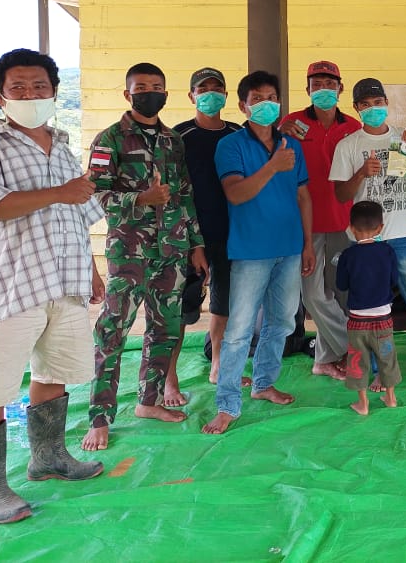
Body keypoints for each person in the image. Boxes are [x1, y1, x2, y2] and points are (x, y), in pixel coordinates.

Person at [0, 49, 106, 524]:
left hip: (65, 278)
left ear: (54, 92)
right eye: (18, 87)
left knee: (53, 369)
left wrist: (92, 271)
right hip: (12, 281)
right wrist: (61, 192)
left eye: (39, 86)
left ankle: (48, 457)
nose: (30, 95)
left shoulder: (61, 143)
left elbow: (78, 214)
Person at [83, 63, 206, 451]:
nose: (149, 93)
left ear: (165, 94)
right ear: (128, 94)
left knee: (165, 329)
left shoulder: (173, 140)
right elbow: (95, 195)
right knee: (113, 330)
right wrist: (141, 199)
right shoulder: (110, 140)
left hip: (172, 250)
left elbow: (185, 195)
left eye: (156, 87)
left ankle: (148, 401)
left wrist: (196, 244)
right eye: (141, 87)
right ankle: (100, 418)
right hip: (130, 252)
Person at [202, 71, 315, 434]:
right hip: (251, 251)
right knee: (238, 330)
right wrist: (271, 167)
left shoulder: (291, 146)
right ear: (243, 106)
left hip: (290, 248)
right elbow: (235, 193)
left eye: (272, 98)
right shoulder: (231, 145)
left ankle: (264, 383)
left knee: (281, 322)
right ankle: (227, 405)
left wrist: (308, 243)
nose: (266, 104)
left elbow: (303, 196)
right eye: (257, 99)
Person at [330, 77, 406, 386]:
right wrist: (361, 173)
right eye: (366, 105)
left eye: (378, 103)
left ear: (386, 103)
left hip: (401, 238)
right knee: (367, 311)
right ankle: (374, 373)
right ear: (356, 108)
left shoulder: (402, 138)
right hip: (366, 242)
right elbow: (341, 195)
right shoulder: (349, 145)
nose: (373, 109)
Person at [279, 60, 362, 381]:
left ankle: (324, 360)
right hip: (305, 223)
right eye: (317, 84)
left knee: (341, 291)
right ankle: (353, 347)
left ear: (340, 88)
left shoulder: (352, 126)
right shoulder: (292, 124)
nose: (324, 89)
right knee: (313, 295)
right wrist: (278, 134)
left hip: (344, 221)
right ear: (308, 89)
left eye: (330, 84)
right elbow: (272, 157)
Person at [170, 67, 242, 391]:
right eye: (203, 89)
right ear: (192, 96)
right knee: (180, 308)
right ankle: (169, 379)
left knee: (224, 303)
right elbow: (172, 193)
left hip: (231, 234)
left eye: (217, 88)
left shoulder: (238, 134)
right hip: (188, 237)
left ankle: (218, 365)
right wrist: (190, 241)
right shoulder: (179, 137)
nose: (210, 94)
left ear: (226, 96)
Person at [335, 201, 401, 415]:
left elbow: (341, 285)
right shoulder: (388, 252)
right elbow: (394, 280)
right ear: (380, 227)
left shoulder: (348, 255)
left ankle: (363, 404)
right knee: (387, 357)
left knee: (358, 360)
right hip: (383, 319)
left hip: (358, 321)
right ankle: (390, 398)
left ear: (351, 228)